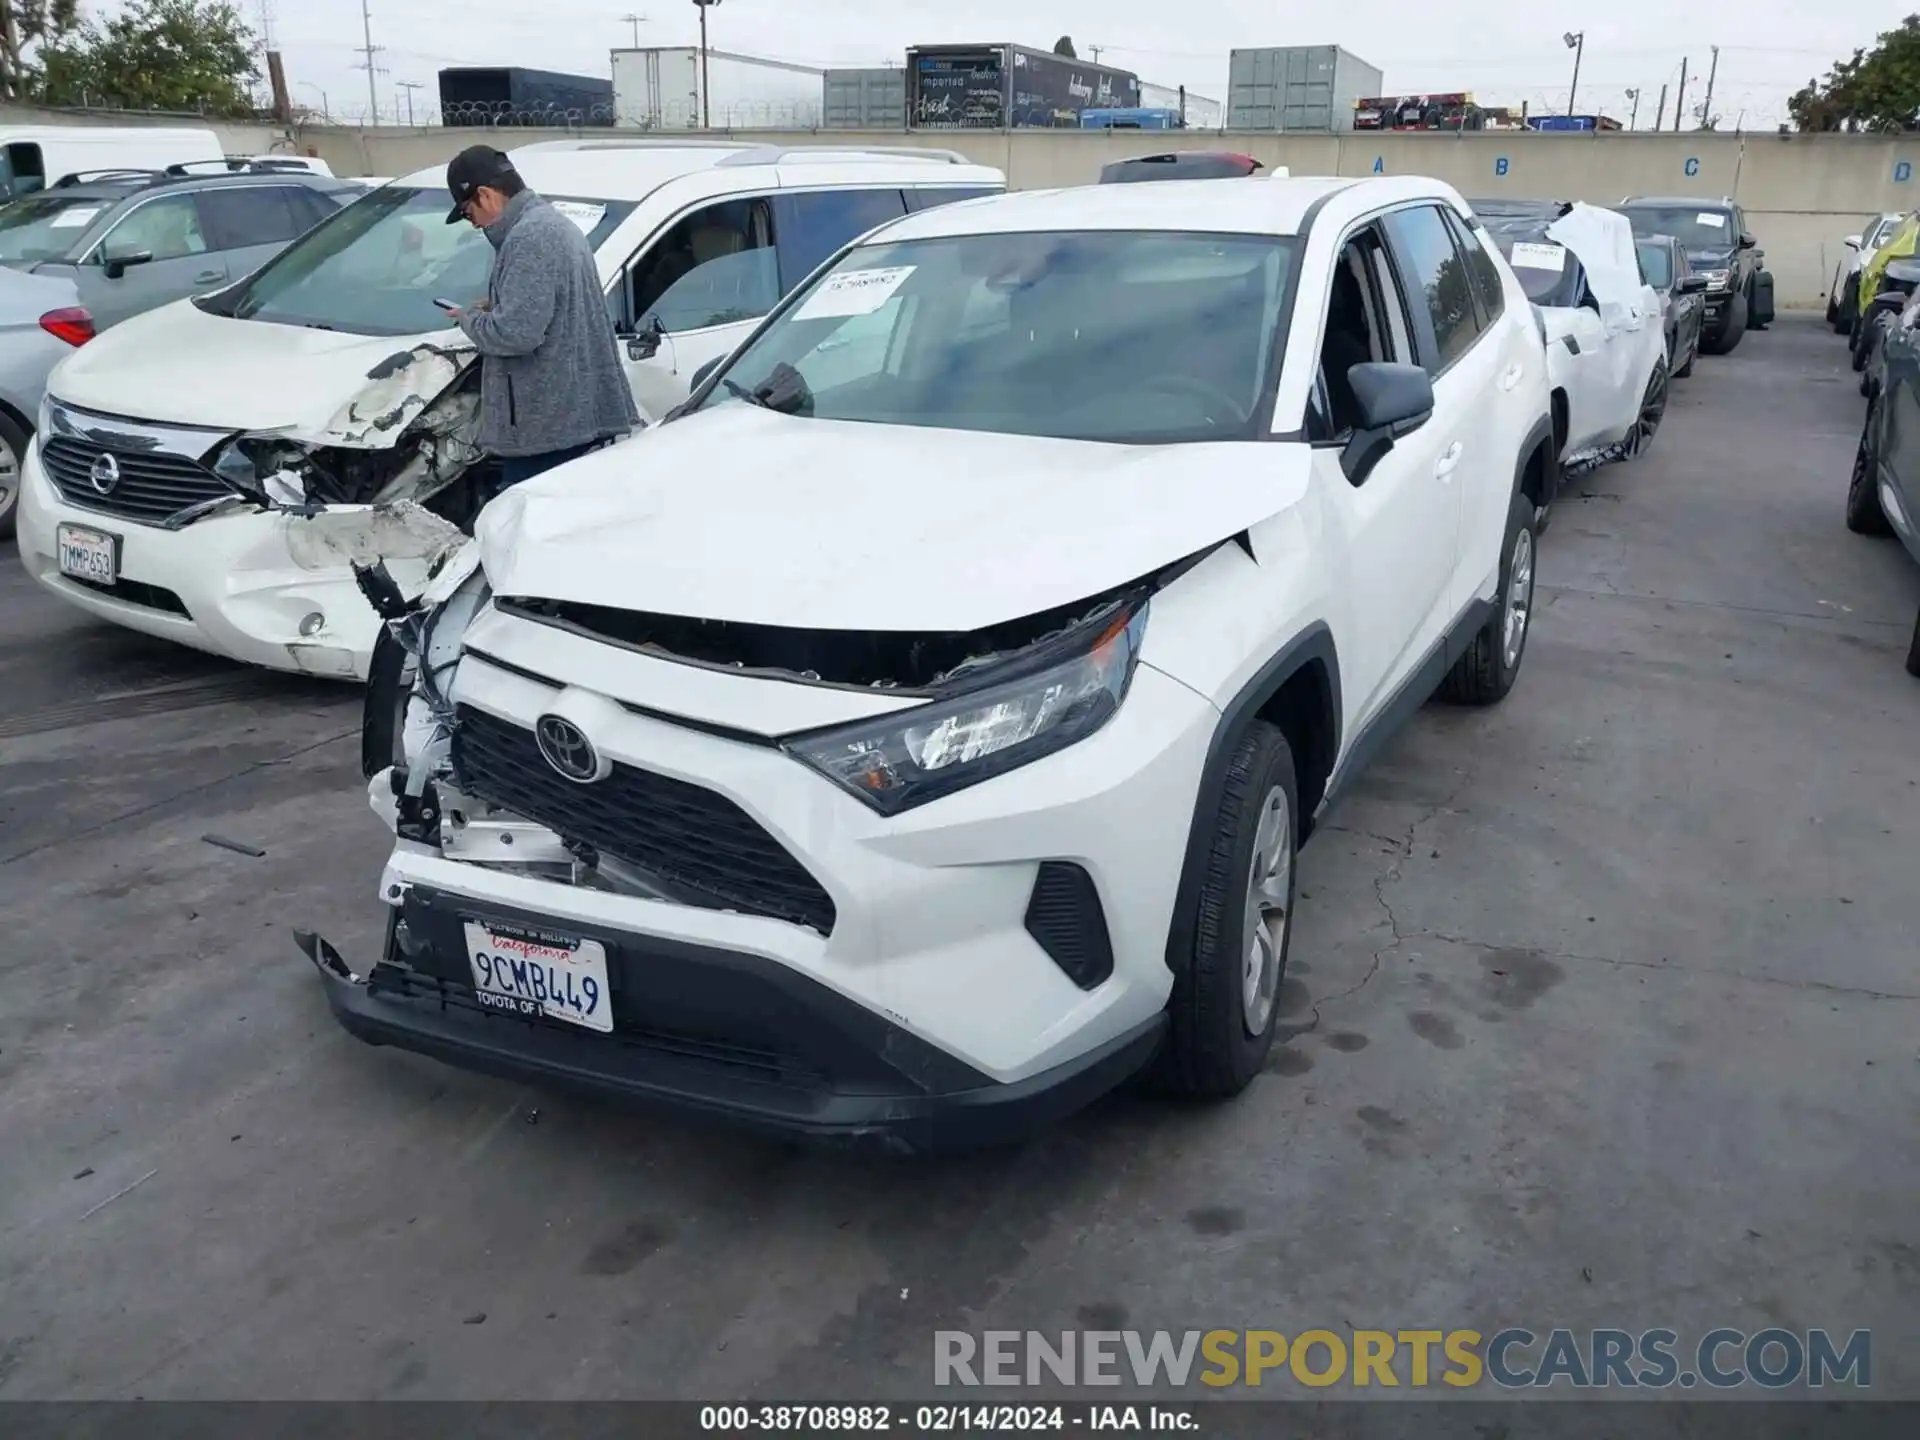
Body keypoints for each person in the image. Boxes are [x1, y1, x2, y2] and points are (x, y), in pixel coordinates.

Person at [442, 145, 639, 491]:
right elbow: (551, 306)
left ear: (485, 196)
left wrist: (469, 318)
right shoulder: (547, 226)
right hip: (564, 421)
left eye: (468, 213)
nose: (474, 225)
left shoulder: (531, 237)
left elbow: (516, 334)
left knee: (523, 531)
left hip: (549, 429)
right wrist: (501, 303)